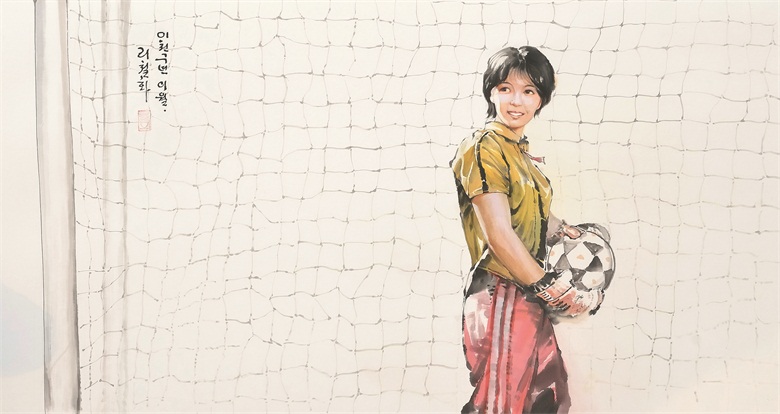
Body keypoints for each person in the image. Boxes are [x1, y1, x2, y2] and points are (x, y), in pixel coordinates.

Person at [450, 46, 604, 413]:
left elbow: (528, 214)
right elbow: (499, 234)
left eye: (528, 91)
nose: (516, 100)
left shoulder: (518, 151)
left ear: (541, 99)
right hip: (501, 293)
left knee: (549, 397)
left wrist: (561, 229)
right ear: (491, 92)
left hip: (527, 293)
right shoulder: (484, 147)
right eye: (505, 88)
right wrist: (551, 287)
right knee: (502, 405)